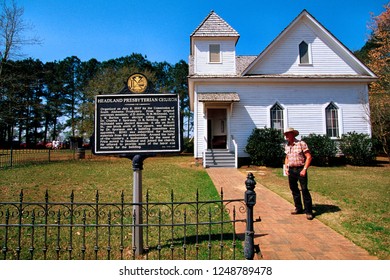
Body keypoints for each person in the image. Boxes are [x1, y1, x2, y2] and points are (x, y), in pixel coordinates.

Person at [284, 128, 314, 220]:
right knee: (294, 189)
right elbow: (287, 157)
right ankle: (298, 208)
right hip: (291, 170)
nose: (286, 136)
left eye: (287, 134)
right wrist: (286, 167)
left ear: (292, 134)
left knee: (304, 190)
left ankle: (309, 211)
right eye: (285, 135)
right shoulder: (287, 145)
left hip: (300, 169)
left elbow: (309, 157)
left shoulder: (301, 144)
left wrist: (304, 169)